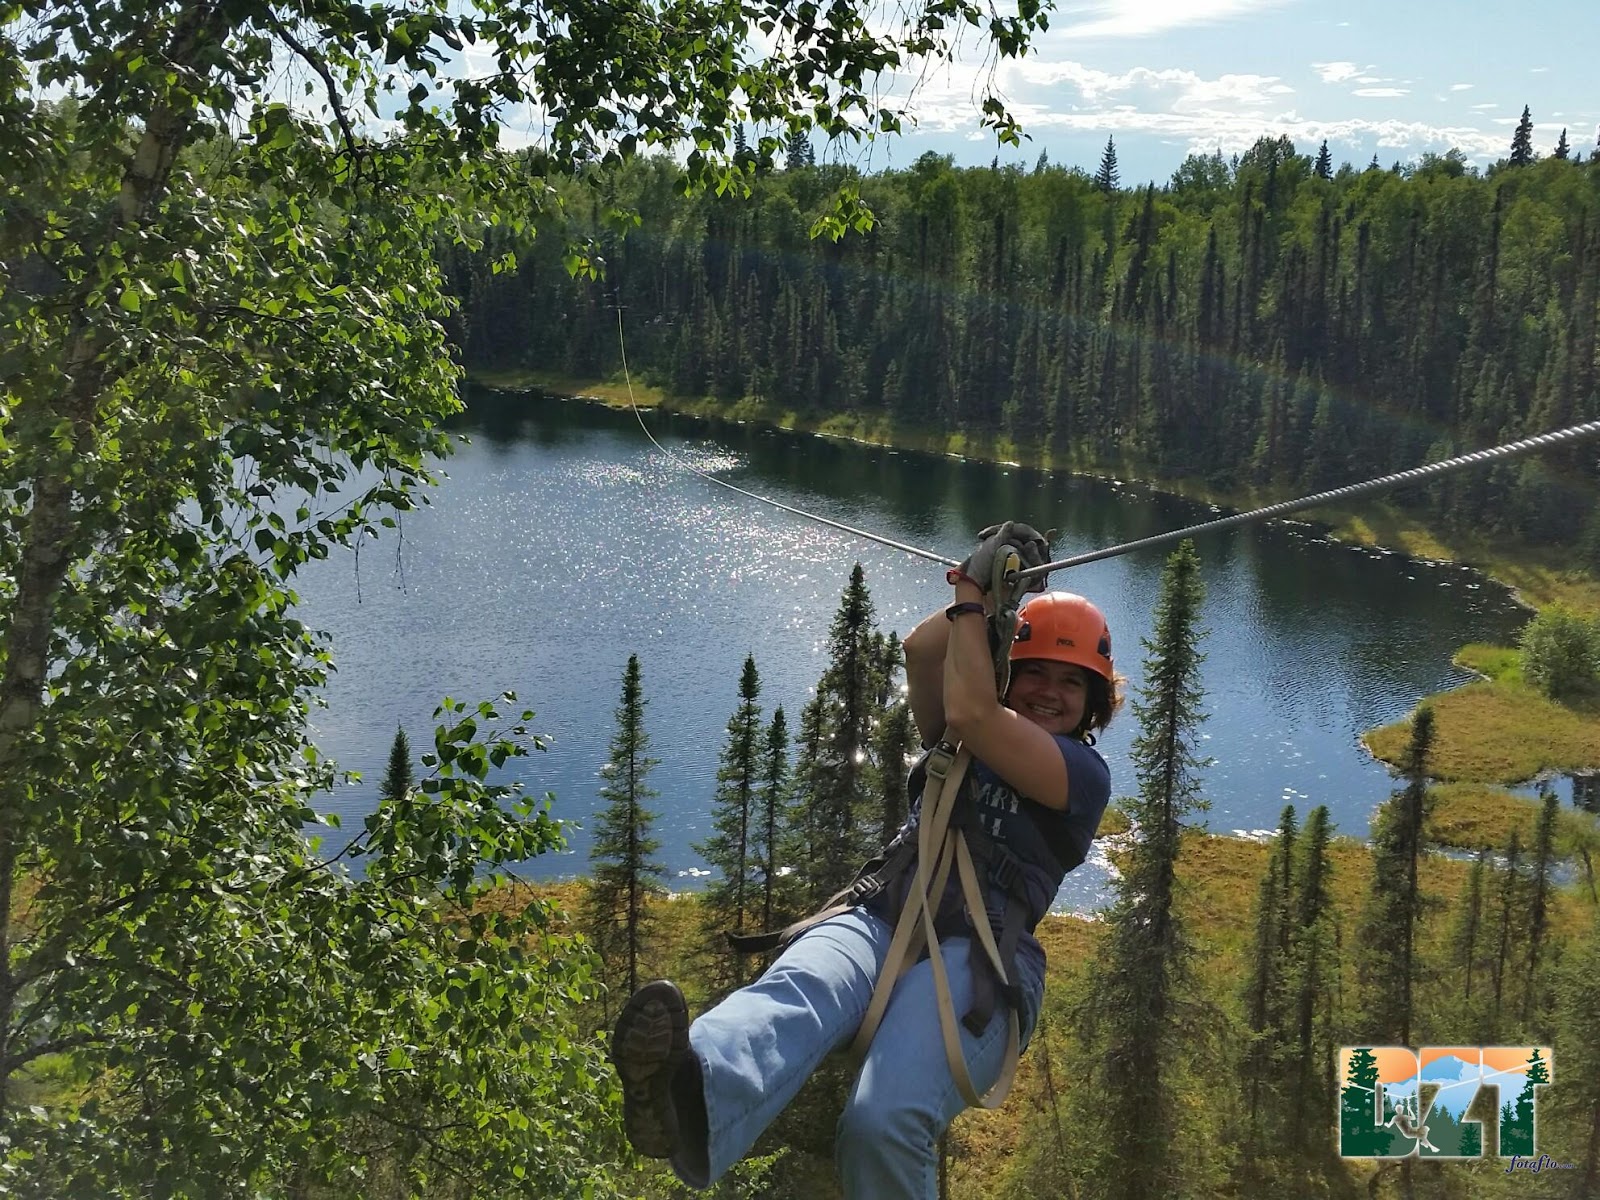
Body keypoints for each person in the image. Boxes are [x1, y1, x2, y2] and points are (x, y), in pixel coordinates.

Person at [608, 521, 1123, 1198]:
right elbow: (921, 651)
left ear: (1093, 703)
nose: (1050, 692)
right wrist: (985, 594)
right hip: (887, 909)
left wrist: (976, 592)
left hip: (981, 960)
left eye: (1071, 682)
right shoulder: (965, 729)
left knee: (882, 1121)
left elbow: (972, 710)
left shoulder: (1080, 775)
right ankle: (684, 1096)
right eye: (1035, 675)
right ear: (1008, 673)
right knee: (799, 992)